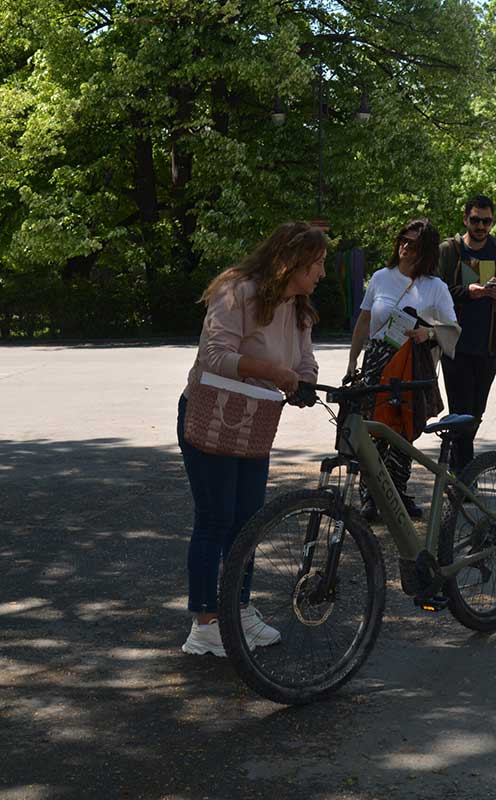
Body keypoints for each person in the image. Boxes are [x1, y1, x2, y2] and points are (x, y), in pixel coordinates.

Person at [178, 221, 328, 656]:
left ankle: (238, 610)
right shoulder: (236, 290)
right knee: (215, 518)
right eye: (317, 263)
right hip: (211, 415)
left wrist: (304, 380)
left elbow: (305, 359)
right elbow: (215, 355)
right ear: (291, 262)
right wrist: (273, 373)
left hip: (255, 420)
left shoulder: (299, 308)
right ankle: (204, 624)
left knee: (248, 521)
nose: (322, 273)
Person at [348, 218, 456, 520]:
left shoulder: (435, 287)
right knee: (372, 429)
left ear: (426, 250)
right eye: (403, 240)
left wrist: (427, 333)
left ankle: (397, 493)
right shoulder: (381, 277)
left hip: (410, 366)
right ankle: (369, 497)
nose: (405, 247)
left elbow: (452, 328)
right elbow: (364, 322)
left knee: (402, 430)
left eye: (413, 243)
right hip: (376, 363)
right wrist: (352, 361)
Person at [437, 195, 496, 473]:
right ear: (465, 219)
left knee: (475, 413)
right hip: (455, 345)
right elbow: (433, 291)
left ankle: (454, 464)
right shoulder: (449, 251)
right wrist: (466, 292)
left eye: (487, 221)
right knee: (461, 411)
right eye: (475, 220)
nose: (481, 226)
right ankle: (463, 475)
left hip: (488, 346)